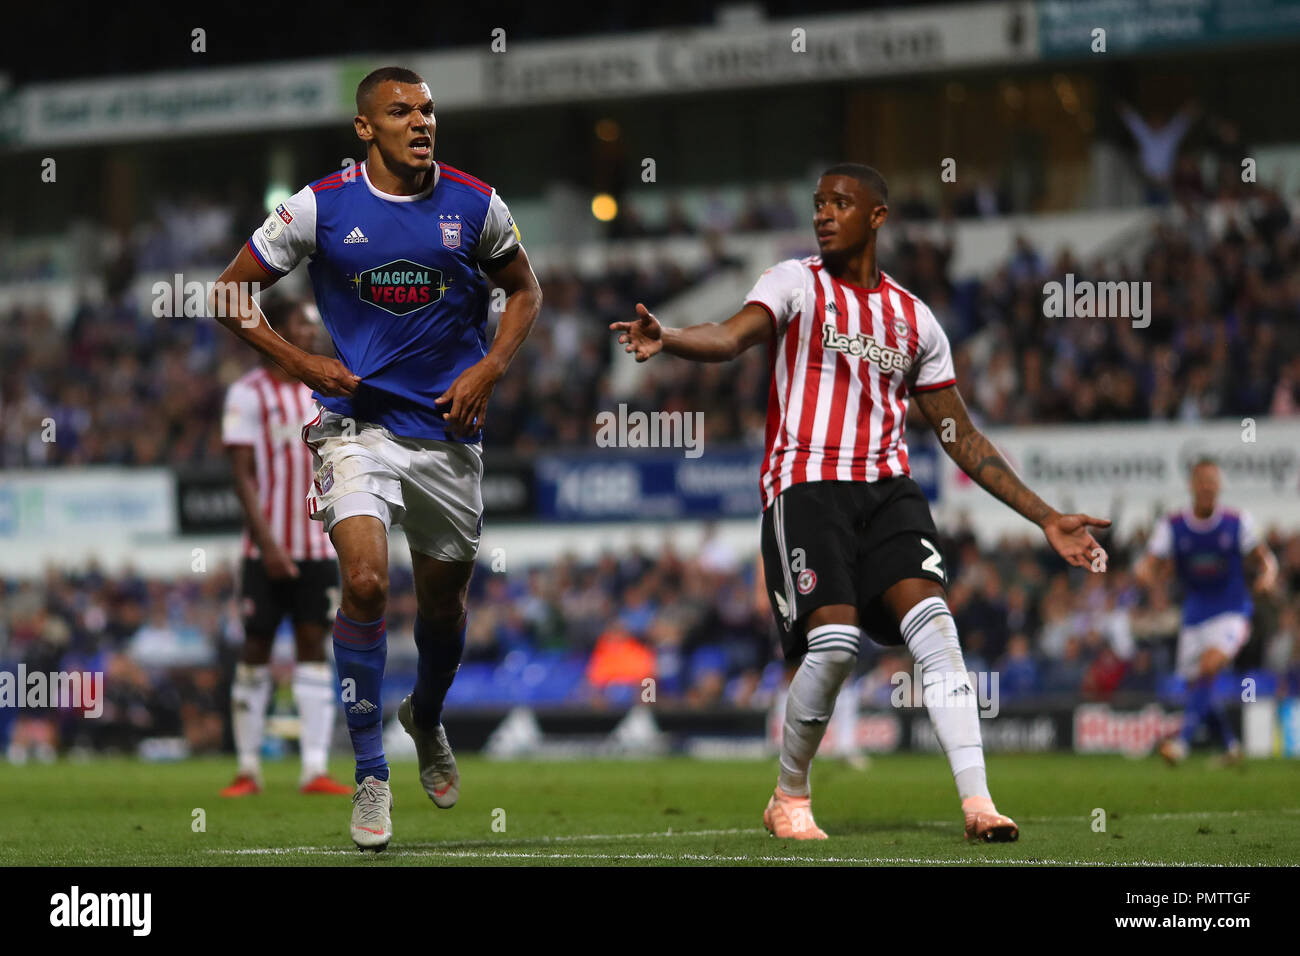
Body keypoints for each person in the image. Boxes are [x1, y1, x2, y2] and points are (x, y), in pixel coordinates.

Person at [610, 163, 1110, 841]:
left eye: (840, 204)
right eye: (818, 203)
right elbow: (731, 337)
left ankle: (979, 803)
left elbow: (959, 433)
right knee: (838, 643)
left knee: (937, 632)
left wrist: (1046, 515)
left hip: (889, 490)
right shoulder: (793, 283)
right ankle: (789, 796)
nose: (823, 214)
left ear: (876, 216)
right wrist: (668, 337)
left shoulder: (914, 319)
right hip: (807, 485)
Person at [211, 66, 542, 850]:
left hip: (447, 435)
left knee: (443, 609)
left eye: (428, 110)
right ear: (366, 128)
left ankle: (423, 716)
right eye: (401, 112)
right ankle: (368, 772)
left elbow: (525, 293)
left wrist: (489, 369)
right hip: (355, 424)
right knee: (362, 583)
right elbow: (226, 293)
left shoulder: (476, 203)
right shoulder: (319, 208)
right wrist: (305, 364)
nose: (421, 122)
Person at [220, 295, 349, 798]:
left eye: (316, 323)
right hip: (266, 550)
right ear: (276, 329)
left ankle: (313, 769)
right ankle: (248, 769)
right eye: (302, 322)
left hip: (318, 548)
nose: (312, 332)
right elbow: (243, 477)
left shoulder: (326, 389)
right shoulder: (248, 394)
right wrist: (267, 543)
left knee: (313, 651)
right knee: (255, 650)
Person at [1136, 458, 1278, 764]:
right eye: (1201, 480)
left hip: (1232, 610)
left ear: (1219, 486)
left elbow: (1265, 560)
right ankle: (1230, 746)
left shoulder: (1237, 522)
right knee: (1198, 686)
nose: (1207, 487)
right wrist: (1146, 575)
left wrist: (1267, 577)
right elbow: (1150, 562)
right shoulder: (1172, 525)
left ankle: (1181, 745)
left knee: (1210, 667)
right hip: (1194, 616)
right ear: (1191, 485)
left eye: (1212, 481)